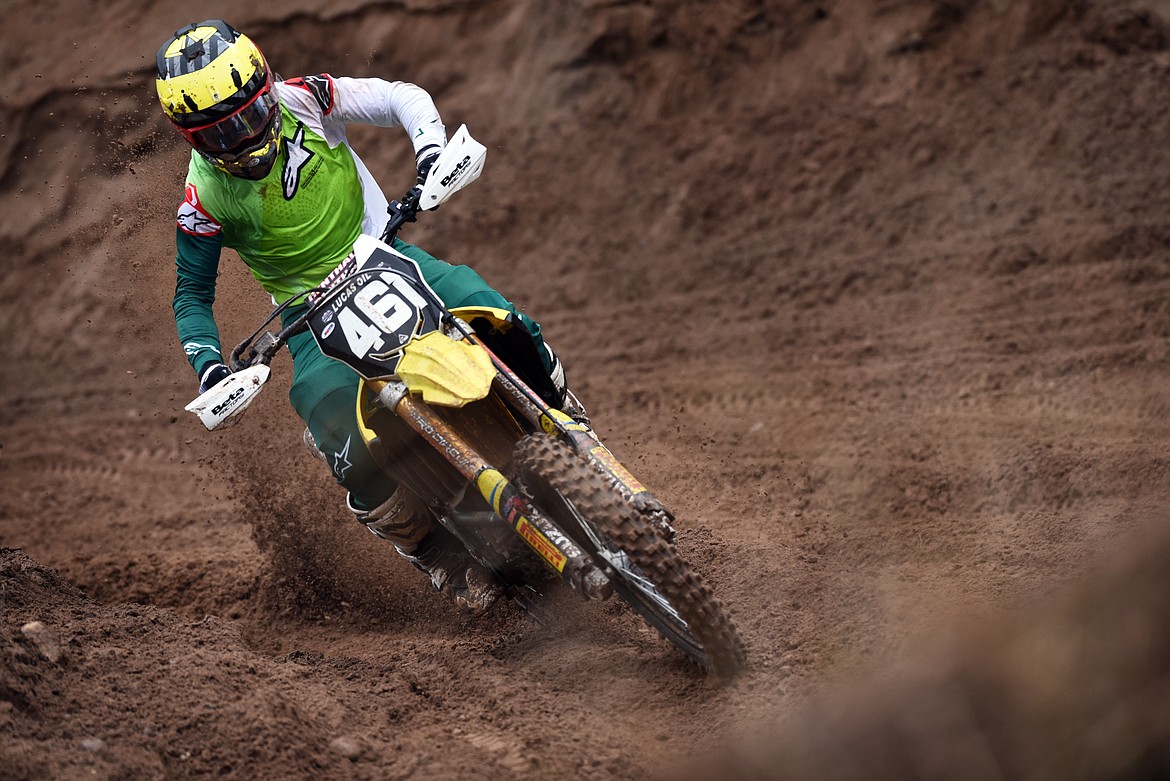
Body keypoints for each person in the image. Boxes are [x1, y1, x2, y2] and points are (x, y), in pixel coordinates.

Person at [156, 19, 576, 615]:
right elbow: (191, 297)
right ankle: (436, 557)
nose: (244, 138)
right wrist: (210, 368)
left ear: (265, 89)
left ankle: (565, 417)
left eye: (249, 115)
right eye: (221, 133)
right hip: (308, 315)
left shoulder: (306, 97)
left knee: (495, 313)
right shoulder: (201, 200)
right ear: (192, 138)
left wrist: (430, 150)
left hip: (386, 251)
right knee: (338, 430)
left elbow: (401, 96)